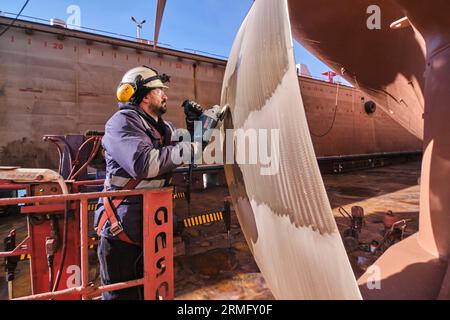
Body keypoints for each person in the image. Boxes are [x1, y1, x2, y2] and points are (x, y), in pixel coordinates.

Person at [94, 65, 202, 300]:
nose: (165, 95)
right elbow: (146, 164)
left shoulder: (161, 127)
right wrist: (192, 147)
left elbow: (178, 155)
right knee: (122, 296)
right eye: (159, 91)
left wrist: (196, 126)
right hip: (121, 232)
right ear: (144, 97)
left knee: (152, 292)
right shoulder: (121, 123)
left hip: (151, 229)